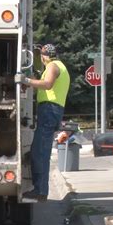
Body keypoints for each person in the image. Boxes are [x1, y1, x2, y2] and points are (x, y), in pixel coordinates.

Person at [15, 44, 71, 202]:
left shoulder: (53, 66)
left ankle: (40, 191)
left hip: (49, 110)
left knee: (40, 152)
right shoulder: (60, 66)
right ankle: (40, 189)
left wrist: (26, 80)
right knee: (39, 151)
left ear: (43, 56)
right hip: (52, 110)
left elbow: (47, 84)